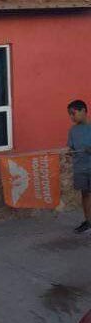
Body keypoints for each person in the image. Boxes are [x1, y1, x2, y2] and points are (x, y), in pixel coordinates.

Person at [67, 100, 91, 234]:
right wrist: (70, 151)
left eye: (73, 113)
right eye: (70, 114)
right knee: (85, 194)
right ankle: (88, 221)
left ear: (83, 111)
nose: (71, 117)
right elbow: (71, 147)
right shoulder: (73, 131)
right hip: (80, 168)